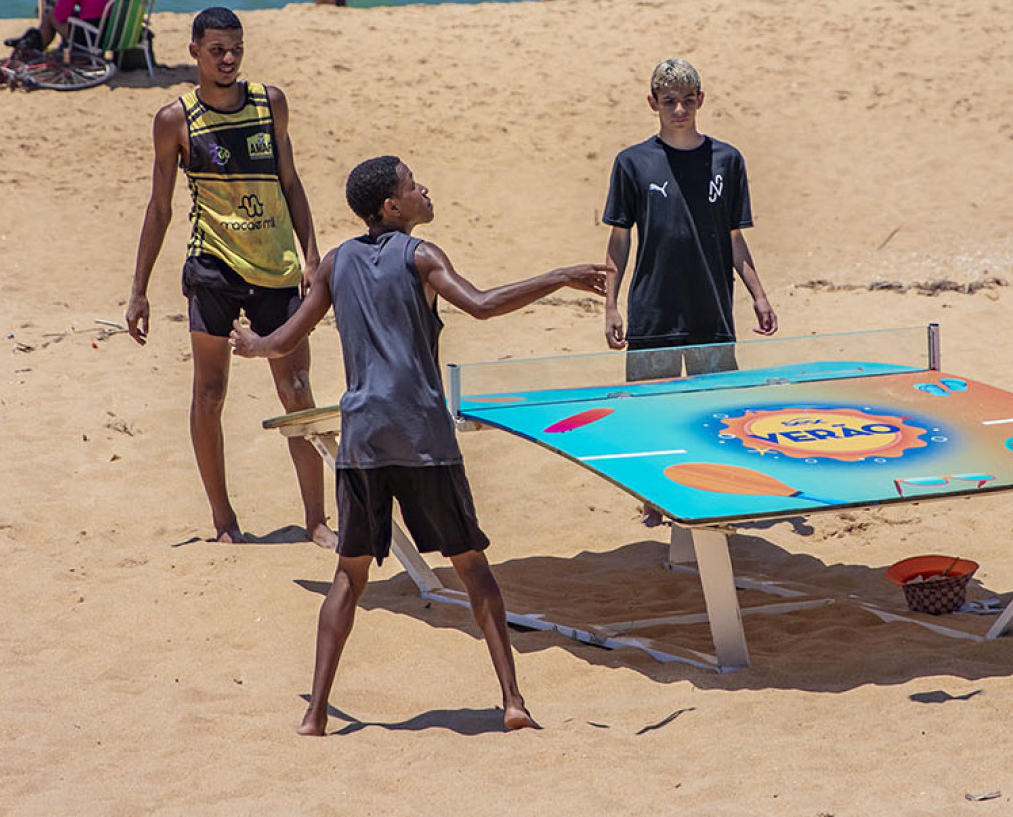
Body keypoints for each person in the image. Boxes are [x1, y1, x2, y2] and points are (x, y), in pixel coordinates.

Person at [232, 155, 607, 735]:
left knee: (347, 578)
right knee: (473, 568)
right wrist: (557, 277)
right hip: (422, 438)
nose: (423, 189)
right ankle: (513, 701)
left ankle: (314, 715)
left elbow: (284, 341)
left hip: (362, 442)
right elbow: (481, 304)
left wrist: (253, 344)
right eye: (412, 186)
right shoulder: (422, 256)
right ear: (391, 206)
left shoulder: (335, 263)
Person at [124, 6, 331, 547]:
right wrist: (138, 289)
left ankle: (316, 520)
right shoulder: (176, 119)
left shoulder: (270, 104)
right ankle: (224, 522)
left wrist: (310, 257)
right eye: (217, 50)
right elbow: (161, 206)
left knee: (297, 389)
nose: (229, 58)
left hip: (276, 266)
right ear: (194, 52)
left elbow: (290, 182)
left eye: (235, 47)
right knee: (210, 393)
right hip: (212, 267)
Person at [602, 57, 777, 381]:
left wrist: (759, 296)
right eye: (669, 101)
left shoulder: (727, 160)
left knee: (716, 414)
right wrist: (611, 306)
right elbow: (619, 239)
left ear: (701, 99)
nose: (679, 110)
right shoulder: (632, 162)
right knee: (651, 411)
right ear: (653, 103)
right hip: (652, 313)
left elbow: (735, 238)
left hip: (711, 311)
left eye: (688, 100)